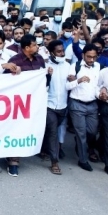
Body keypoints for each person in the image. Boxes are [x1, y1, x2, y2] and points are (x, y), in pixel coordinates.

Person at [5, 34, 47, 177]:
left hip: (34, 101)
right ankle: (13, 161)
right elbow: (3, 82)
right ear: (27, 47)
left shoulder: (39, 59)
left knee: (28, 129)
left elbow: (43, 79)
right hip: (18, 103)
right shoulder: (15, 60)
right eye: (34, 45)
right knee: (16, 129)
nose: (37, 47)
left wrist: (48, 74)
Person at [67, 44, 101, 172]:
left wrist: (100, 94)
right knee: (81, 134)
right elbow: (67, 86)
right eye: (89, 57)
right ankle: (83, 160)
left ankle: (81, 143)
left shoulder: (98, 67)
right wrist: (78, 80)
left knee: (92, 132)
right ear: (83, 55)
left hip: (92, 104)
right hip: (77, 104)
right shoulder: (74, 66)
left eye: (94, 57)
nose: (91, 60)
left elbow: (97, 86)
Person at [44, 40, 70, 175]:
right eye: (58, 51)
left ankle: (44, 149)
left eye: (62, 50)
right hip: (49, 105)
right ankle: (54, 162)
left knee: (52, 131)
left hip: (63, 106)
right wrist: (47, 75)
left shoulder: (68, 66)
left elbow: (69, 85)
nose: (62, 53)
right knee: (53, 132)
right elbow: (42, 86)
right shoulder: (45, 65)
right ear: (51, 52)